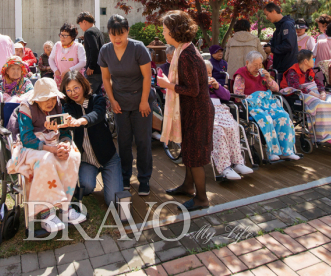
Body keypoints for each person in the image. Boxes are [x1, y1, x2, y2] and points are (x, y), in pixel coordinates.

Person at [6, 78, 86, 232]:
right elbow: (27, 139)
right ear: (36, 99)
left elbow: (64, 132)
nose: (50, 102)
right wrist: (53, 150)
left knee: (73, 155)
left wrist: (65, 144)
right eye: (45, 99)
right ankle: (45, 213)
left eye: (52, 98)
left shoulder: (58, 104)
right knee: (46, 160)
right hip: (32, 145)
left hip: (53, 140)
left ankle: (65, 206)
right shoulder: (26, 108)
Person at [156, 11, 215, 211]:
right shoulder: (185, 50)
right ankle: (188, 186)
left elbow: (192, 90)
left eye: (165, 30)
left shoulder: (186, 56)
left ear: (175, 31)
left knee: (195, 156)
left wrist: (167, 84)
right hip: (194, 111)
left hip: (197, 113)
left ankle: (201, 198)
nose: (163, 33)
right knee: (189, 153)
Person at [99, 14, 153, 196]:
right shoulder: (105, 51)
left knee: (143, 141)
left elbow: (147, 76)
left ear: (127, 31)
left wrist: (145, 100)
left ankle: (144, 179)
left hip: (141, 100)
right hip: (119, 102)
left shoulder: (138, 48)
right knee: (123, 141)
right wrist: (112, 100)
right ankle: (125, 177)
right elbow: (106, 79)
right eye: (113, 34)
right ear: (109, 34)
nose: (117, 38)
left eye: (121, 34)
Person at [60, 71, 122, 207]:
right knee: (86, 188)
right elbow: (64, 127)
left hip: (108, 158)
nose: (73, 93)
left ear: (83, 85)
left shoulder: (97, 99)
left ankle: (114, 176)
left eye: (76, 87)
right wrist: (60, 126)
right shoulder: (67, 106)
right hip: (87, 160)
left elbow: (97, 114)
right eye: (68, 90)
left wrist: (81, 121)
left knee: (113, 200)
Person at [281, 50, 331, 147]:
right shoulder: (292, 71)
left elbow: (319, 83)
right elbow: (296, 87)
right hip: (301, 94)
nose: (314, 60)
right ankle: (323, 135)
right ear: (305, 61)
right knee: (320, 104)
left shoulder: (311, 71)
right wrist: (315, 94)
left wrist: (322, 93)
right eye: (312, 59)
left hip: (316, 92)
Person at [233, 51, 299, 161]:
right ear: (247, 63)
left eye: (260, 65)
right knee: (266, 119)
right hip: (252, 105)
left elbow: (276, 89)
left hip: (268, 104)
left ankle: (287, 150)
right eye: (255, 65)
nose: (258, 67)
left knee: (283, 116)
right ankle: (272, 152)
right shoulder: (241, 75)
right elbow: (238, 96)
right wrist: (255, 98)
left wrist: (269, 79)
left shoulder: (263, 75)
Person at [204, 60, 254, 180]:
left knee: (234, 126)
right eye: (204, 72)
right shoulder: (195, 85)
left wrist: (217, 86)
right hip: (205, 110)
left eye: (209, 72)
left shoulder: (214, 83)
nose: (208, 75)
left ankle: (237, 162)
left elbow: (226, 96)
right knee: (218, 130)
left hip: (220, 109)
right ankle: (225, 167)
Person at [264, 3, 298, 75]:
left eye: (267, 14)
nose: (267, 18)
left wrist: (272, 50)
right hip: (280, 68)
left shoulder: (287, 25)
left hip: (288, 69)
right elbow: (272, 42)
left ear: (273, 11)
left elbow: (288, 45)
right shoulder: (279, 28)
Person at [50, 23, 87, 87]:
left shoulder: (78, 46)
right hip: (60, 78)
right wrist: (55, 70)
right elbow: (51, 59)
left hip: (75, 78)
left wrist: (69, 70)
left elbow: (83, 62)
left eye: (65, 35)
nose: (62, 38)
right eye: (61, 35)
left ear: (72, 37)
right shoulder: (57, 45)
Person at [77, 12, 105, 94]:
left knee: (88, 94)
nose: (80, 27)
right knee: (97, 95)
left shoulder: (88, 32)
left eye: (80, 24)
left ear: (84, 22)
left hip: (93, 71)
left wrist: (91, 67)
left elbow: (94, 49)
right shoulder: (98, 31)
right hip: (100, 69)